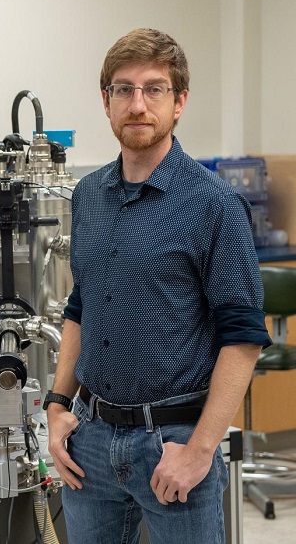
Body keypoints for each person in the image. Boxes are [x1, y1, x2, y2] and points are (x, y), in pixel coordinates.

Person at [44, 28, 271, 543]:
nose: (138, 104)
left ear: (179, 102)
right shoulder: (88, 195)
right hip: (90, 444)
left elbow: (243, 338)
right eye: (123, 89)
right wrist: (57, 406)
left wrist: (200, 449)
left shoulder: (214, 205)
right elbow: (82, 304)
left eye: (155, 89)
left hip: (172, 444)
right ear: (106, 102)